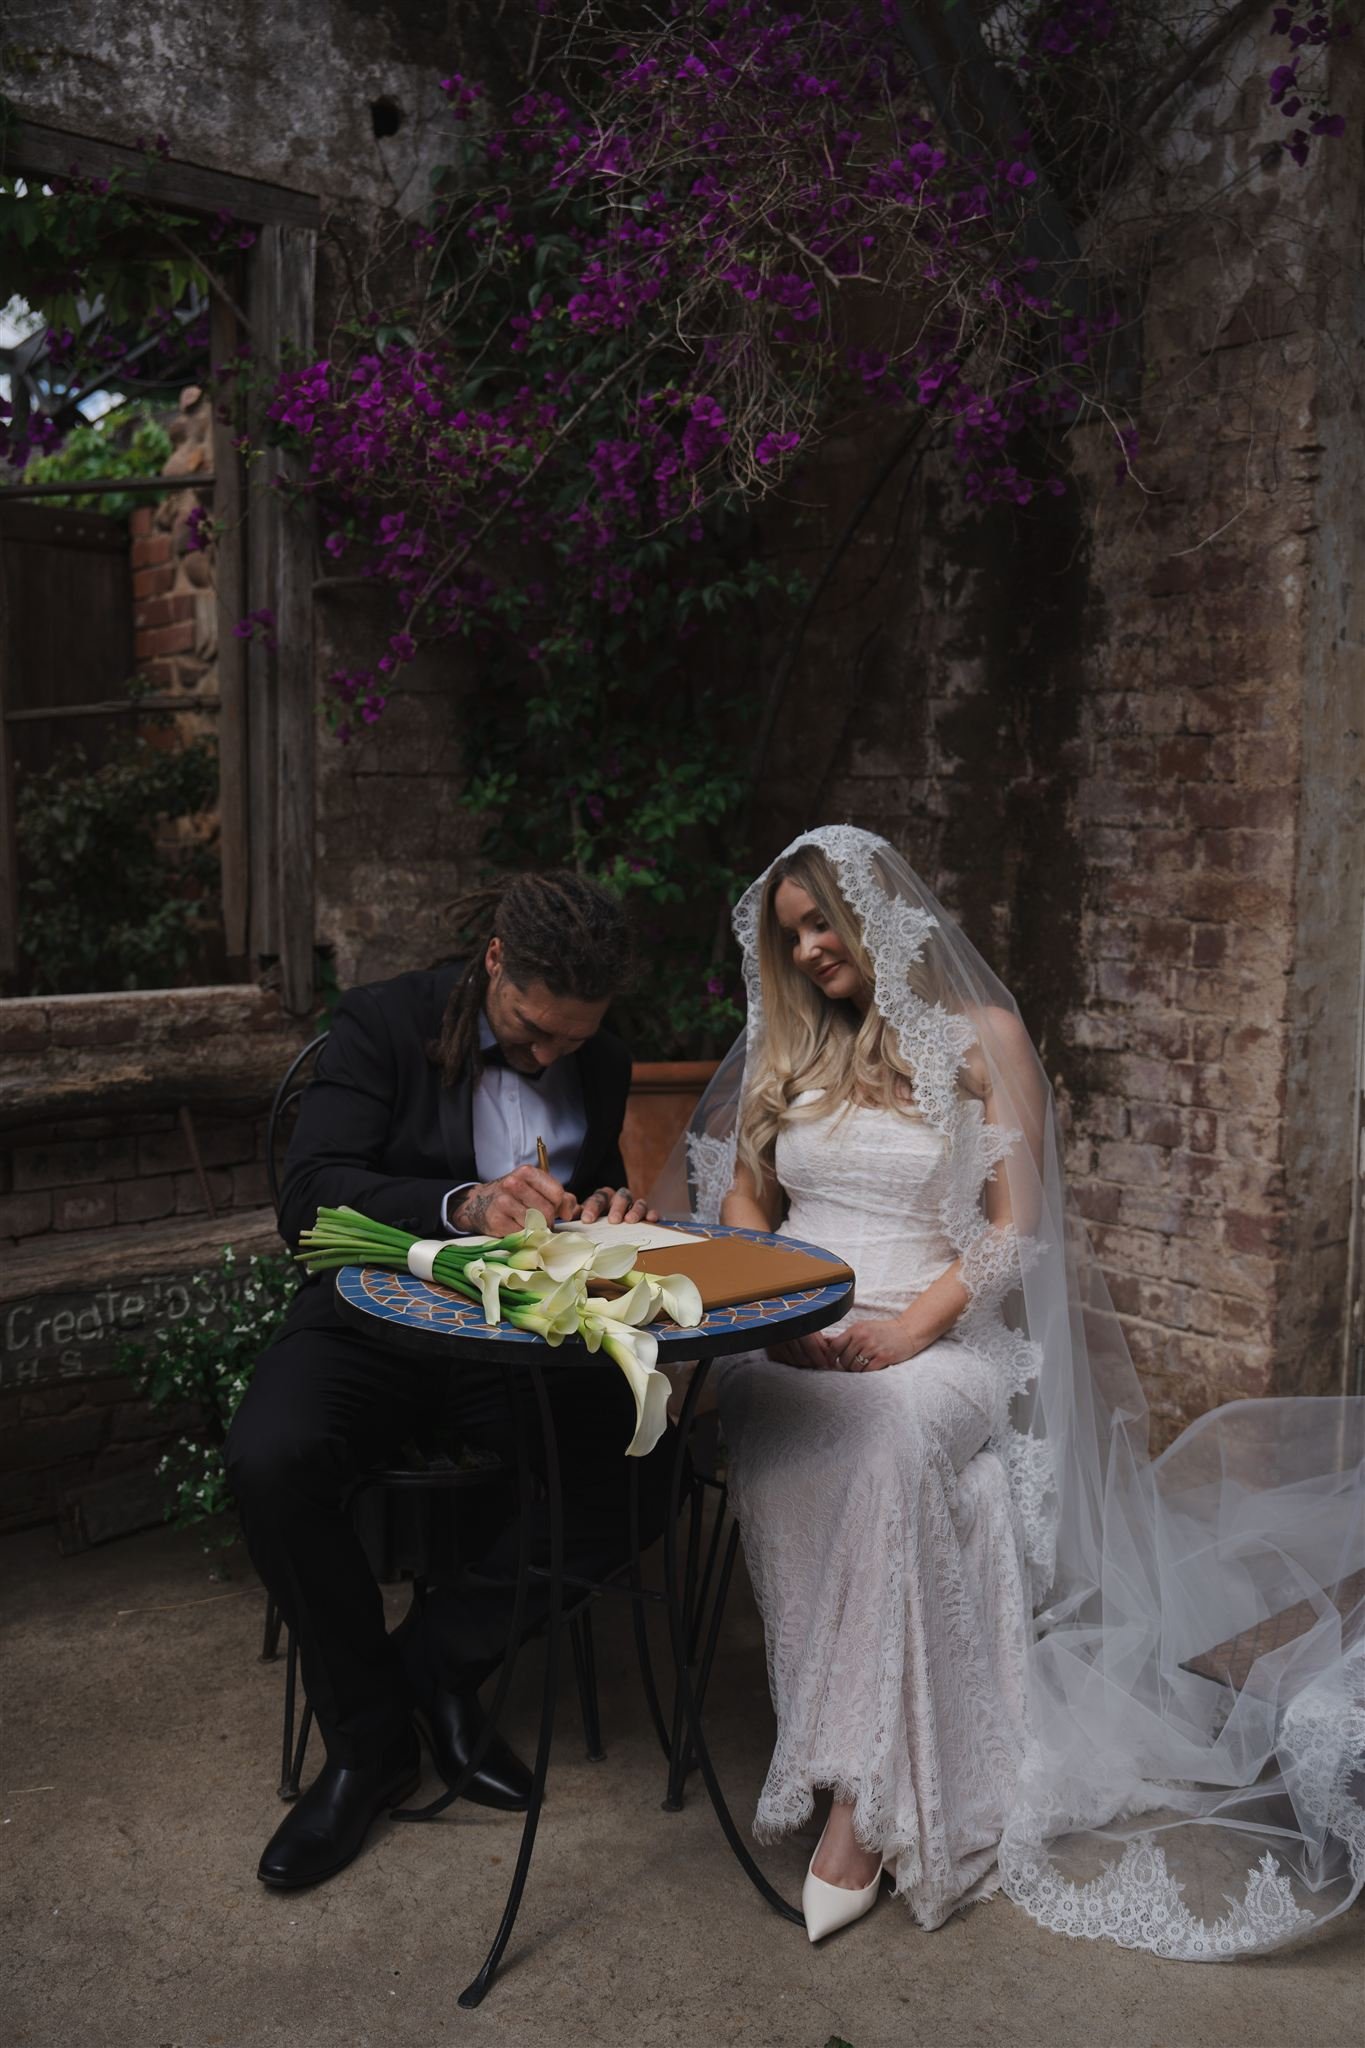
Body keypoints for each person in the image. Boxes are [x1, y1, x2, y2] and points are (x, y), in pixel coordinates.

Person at [667, 825, 1363, 1954]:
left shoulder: (982, 1038)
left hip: (940, 1341)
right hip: (790, 1338)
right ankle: (867, 1777)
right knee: (861, 1444)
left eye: (820, 923)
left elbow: (1014, 1233)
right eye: (787, 935)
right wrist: (781, 1315)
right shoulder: (784, 1055)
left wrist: (904, 1332)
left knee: (892, 1435)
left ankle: (860, 1803)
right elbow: (744, 1209)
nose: (805, 952)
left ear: (878, 914)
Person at [227, 870, 668, 1891]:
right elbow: (311, 1196)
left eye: (574, 1037)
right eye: (532, 1029)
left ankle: (437, 1658)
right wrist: (465, 1203)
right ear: (496, 962)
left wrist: (598, 1208)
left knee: (651, 1458)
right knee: (270, 1458)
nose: (552, 1052)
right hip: (369, 1321)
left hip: (511, 1338)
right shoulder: (383, 1021)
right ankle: (372, 1745)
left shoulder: (598, 1055)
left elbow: (572, 1188)